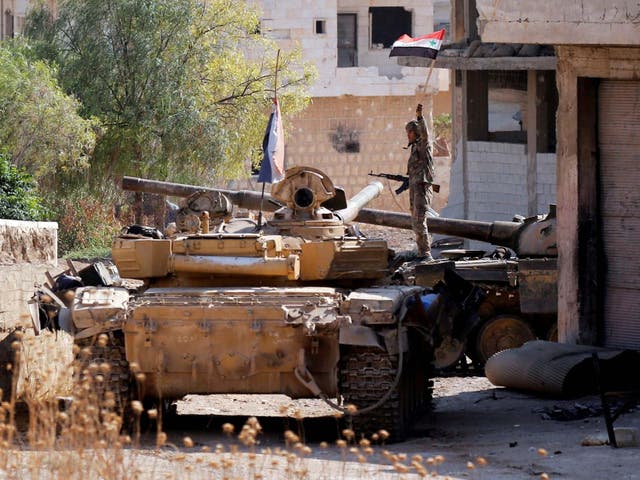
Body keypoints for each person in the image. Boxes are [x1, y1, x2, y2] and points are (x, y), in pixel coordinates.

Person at [405, 103, 435, 261]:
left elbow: (426, 135)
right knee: (415, 221)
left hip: (422, 189)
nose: (408, 135)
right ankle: (421, 252)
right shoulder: (414, 147)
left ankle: (426, 254)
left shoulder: (424, 145)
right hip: (415, 187)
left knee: (419, 220)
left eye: (410, 132)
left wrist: (420, 118)